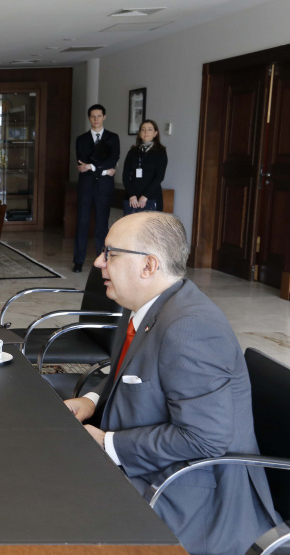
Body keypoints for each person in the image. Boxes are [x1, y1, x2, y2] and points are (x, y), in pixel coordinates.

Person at [64, 212, 280, 555]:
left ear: (149, 266)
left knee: (56, 509)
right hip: (158, 466)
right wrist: (92, 399)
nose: (99, 262)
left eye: (111, 253)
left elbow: (204, 438)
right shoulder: (142, 305)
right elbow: (135, 371)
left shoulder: (191, 328)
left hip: (191, 495)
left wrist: (108, 442)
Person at [73, 104, 120, 273]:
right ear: (89, 118)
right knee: (82, 223)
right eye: (93, 116)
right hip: (86, 186)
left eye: (99, 116)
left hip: (104, 187)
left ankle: (102, 261)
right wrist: (104, 170)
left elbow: (112, 160)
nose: (96, 119)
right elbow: (81, 161)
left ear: (104, 117)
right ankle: (78, 261)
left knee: (102, 224)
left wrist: (92, 167)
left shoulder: (113, 138)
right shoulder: (81, 139)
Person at [122, 119, 168, 214]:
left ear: (155, 133)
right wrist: (131, 195)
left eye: (150, 129)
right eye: (143, 129)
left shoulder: (160, 152)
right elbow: (125, 175)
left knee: (151, 228)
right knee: (132, 228)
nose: (146, 132)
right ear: (139, 133)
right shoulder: (132, 152)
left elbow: (160, 176)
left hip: (151, 196)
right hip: (132, 198)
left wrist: (145, 196)